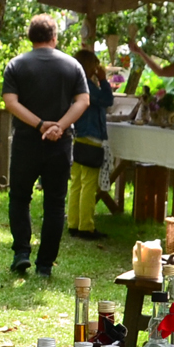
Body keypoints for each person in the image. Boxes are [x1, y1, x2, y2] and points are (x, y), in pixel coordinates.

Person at [1, 14, 89, 278]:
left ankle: (21, 253)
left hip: (27, 142)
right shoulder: (72, 65)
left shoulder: (16, 65)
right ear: (54, 37)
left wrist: (40, 125)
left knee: (19, 197)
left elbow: (11, 102)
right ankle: (45, 265)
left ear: (31, 37)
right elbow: (83, 101)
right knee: (54, 203)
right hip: (60, 145)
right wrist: (59, 127)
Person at [67, 48, 114, 241]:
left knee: (77, 182)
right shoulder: (87, 85)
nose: (98, 68)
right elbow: (107, 100)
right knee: (89, 184)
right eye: (95, 64)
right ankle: (86, 226)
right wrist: (103, 80)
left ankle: (73, 223)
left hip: (78, 136)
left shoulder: (73, 83)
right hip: (91, 136)